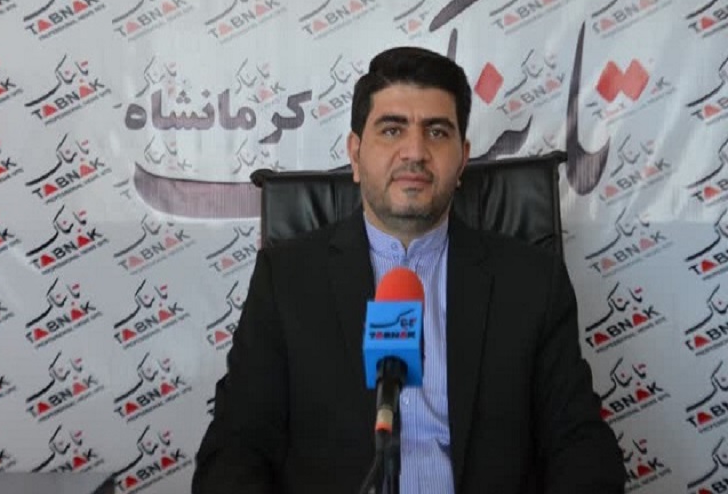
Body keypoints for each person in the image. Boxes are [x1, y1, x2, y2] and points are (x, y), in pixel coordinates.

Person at [192, 47, 625, 493]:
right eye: (392, 129)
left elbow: (580, 445)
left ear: (462, 159)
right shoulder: (287, 280)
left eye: (437, 132)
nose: (415, 152)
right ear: (355, 155)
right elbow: (235, 449)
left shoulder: (531, 283)